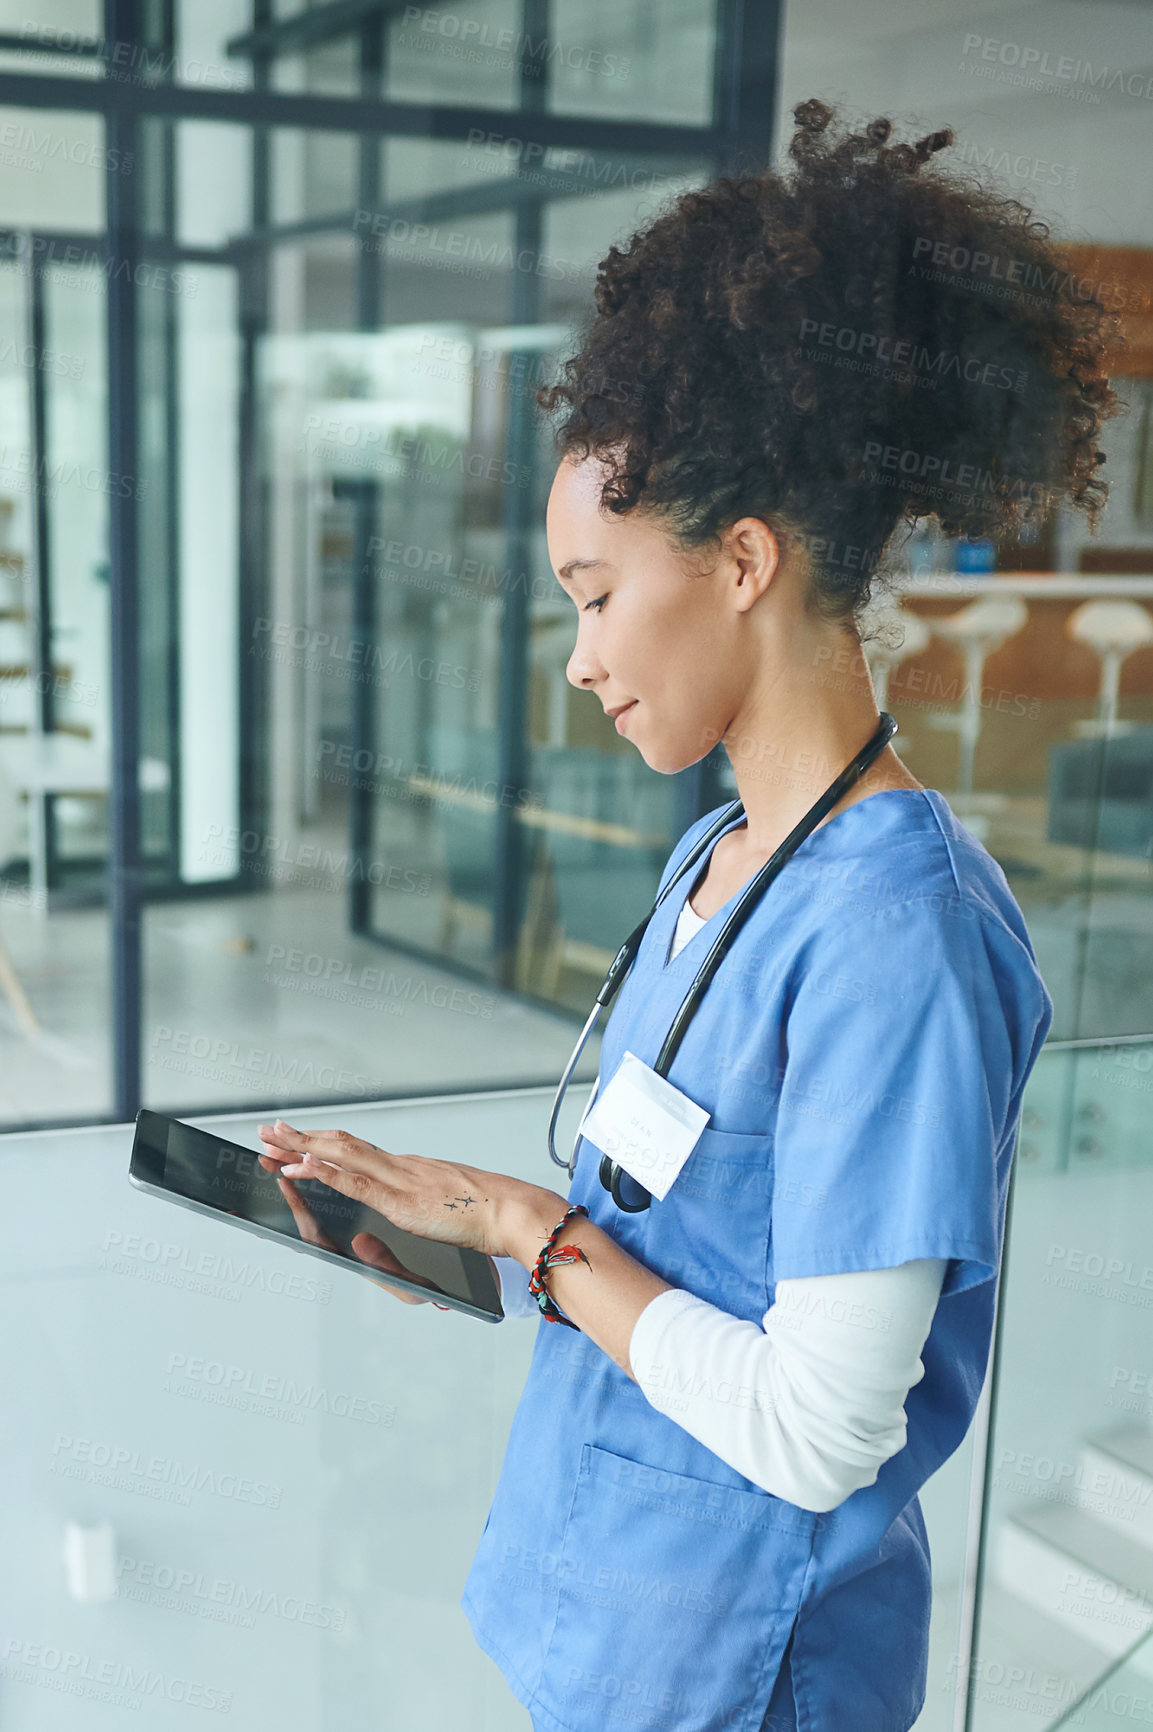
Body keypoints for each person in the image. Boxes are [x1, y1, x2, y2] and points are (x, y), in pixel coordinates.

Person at [256, 99, 1123, 1732]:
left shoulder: (900, 939)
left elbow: (817, 1428)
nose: (578, 657)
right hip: (608, 1611)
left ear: (737, 561)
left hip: (743, 1669)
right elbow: (668, 1246)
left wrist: (531, 1228)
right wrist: (463, 1246)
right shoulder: (719, 856)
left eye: (594, 597)